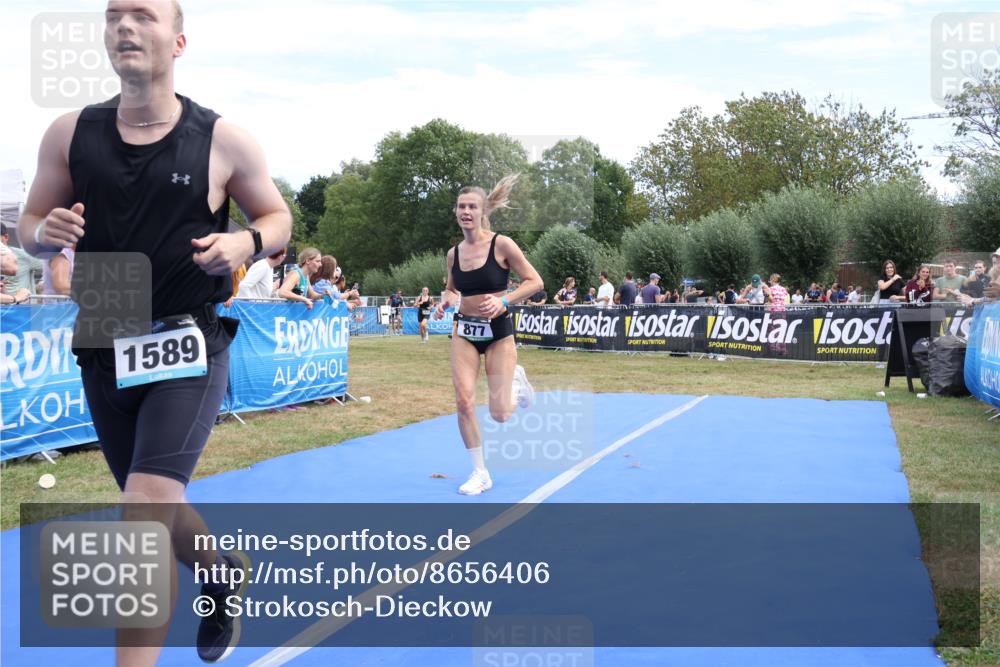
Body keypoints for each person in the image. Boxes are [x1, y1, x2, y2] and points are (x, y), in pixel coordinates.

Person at [17, 2, 292, 664]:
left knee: (143, 514)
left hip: (187, 338)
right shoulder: (68, 133)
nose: (123, 26)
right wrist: (42, 234)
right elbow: (29, 224)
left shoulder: (222, 138)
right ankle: (222, 575)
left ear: (179, 40)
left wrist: (245, 242)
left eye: (141, 14)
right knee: (154, 505)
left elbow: (277, 217)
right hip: (104, 330)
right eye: (113, 15)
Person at [433, 175, 543, 496]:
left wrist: (503, 299)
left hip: (497, 331)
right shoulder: (454, 254)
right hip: (464, 331)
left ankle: (517, 381)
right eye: (461, 206)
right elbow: (452, 289)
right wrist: (445, 303)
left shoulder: (502, 244)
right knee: (464, 401)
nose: (466, 211)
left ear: (483, 212)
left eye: (472, 206)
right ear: (456, 212)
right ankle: (480, 472)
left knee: (501, 414)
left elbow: (534, 281)